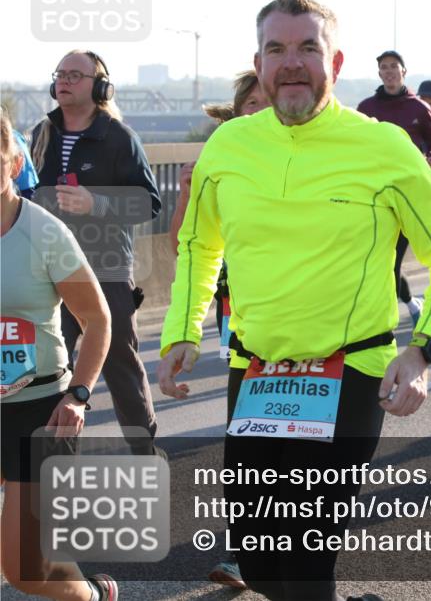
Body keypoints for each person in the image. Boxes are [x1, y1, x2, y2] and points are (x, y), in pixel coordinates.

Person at [157, 0, 431, 601]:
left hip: (349, 372)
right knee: (259, 564)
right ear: (258, 63)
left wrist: (422, 351)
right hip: (256, 374)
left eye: (308, 47)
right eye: (277, 49)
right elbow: (200, 247)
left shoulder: (383, 148)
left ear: (334, 63)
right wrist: (182, 330)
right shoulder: (228, 147)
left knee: (304, 567)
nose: (292, 62)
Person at [1, 110, 116, 601]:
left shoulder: (43, 233)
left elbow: (97, 321)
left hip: (40, 412)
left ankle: (91, 596)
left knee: (25, 571)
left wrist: (79, 396)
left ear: (12, 162)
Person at [166, 70, 270, 592]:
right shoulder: (221, 157)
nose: (258, 111)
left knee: (297, 439)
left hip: (310, 327)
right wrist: (187, 191)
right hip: (240, 321)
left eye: (266, 102)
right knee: (247, 435)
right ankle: (241, 550)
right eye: (249, 104)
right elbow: (181, 245)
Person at [31, 50, 161, 455]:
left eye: (75, 74)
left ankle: (144, 450)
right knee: (48, 367)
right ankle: (52, 459)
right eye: (60, 74)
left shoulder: (120, 137)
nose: (65, 81)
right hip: (48, 269)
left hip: (104, 268)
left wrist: (96, 203)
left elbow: (149, 203)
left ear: (100, 86)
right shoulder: (41, 133)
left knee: (118, 363)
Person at [358, 50, 431, 326]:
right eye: (384, 67)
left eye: (394, 67)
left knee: (391, 261)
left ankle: (385, 319)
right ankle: (408, 302)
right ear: (380, 74)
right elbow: (354, 145)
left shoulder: (418, 107)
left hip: (408, 194)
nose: (389, 71)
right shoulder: (366, 108)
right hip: (374, 193)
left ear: (403, 72)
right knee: (378, 259)